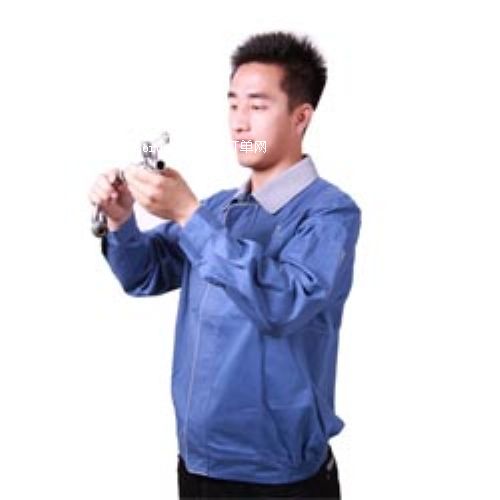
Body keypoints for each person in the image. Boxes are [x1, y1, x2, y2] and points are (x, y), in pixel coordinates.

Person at [88, 31, 361, 499]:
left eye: (257, 105)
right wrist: (120, 220)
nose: (239, 123)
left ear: (300, 117)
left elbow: (284, 305)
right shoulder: (218, 211)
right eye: (233, 104)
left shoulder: (329, 214)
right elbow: (143, 273)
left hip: (277, 478)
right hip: (197, 465)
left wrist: (188, 215)